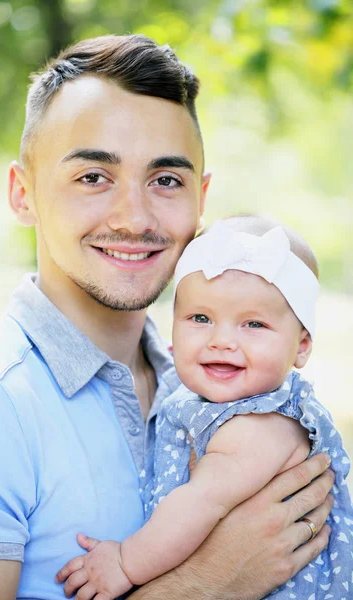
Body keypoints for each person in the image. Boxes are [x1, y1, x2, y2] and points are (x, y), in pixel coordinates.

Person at [0, 36, 334, 600]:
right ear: (23, 193)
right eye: (92, 177)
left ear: (201, 201)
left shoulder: (214, 381)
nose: (134, 218)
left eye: (166, 181)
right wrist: (207, 582)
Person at [56, 215, 353, 600]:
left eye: (254, 324)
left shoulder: (263, 423)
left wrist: (125, 563)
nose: (222, 340)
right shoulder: (203, 397)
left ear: (301, 346)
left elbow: (197, 505)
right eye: (200, 318)